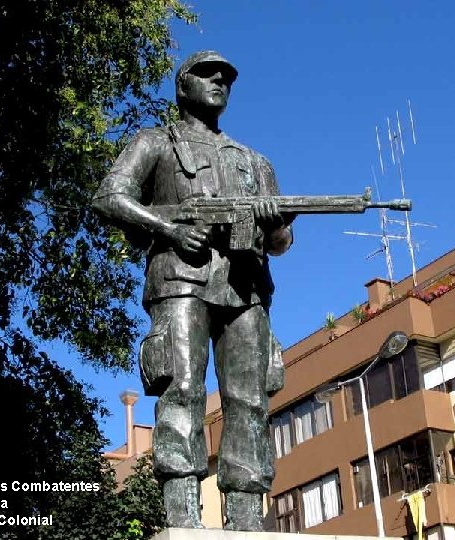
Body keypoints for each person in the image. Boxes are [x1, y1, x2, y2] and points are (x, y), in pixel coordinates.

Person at [92, 50, 292, 531]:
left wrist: (277, 222)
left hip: (244, 288)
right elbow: (108, 196)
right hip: (180, 279)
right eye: (207, 74)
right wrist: (168, 226)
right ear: (183, 87)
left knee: (249, 398)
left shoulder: (253, 161)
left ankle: (246, 514)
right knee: (181, 389)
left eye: (226, 77)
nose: (219, 81)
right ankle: (182, 514)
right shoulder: (154, 143)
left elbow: (282, 243)